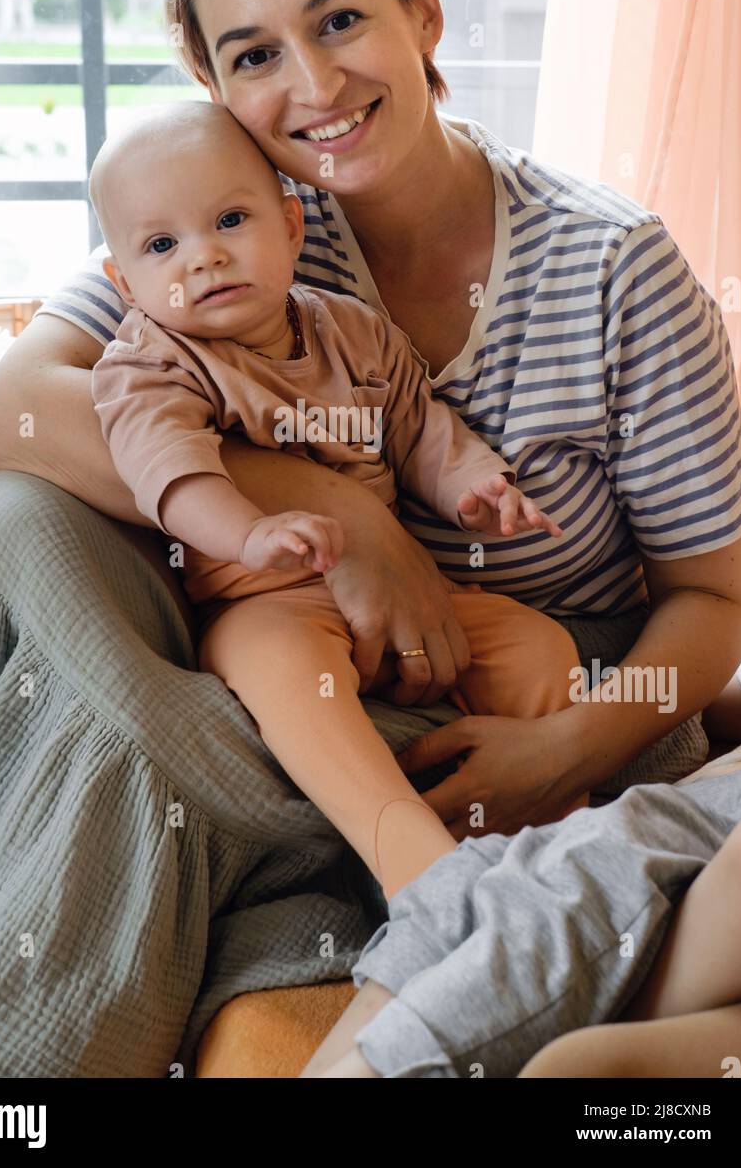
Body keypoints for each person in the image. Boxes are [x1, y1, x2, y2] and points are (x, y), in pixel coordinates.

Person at [0, 0, 741, 1072]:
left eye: (340, 20)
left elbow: (713, 598)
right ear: (214, 85)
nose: (311, 84)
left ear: (420, 9)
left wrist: (564, 749)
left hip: (538, 701)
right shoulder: (224, 231)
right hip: (308, 699)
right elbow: (14, 419)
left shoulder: (608, 266)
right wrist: (342, 513)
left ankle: (493, 897)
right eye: (254, 54)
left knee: (128, 726)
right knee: (9, 532)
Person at [88, 99, 580, 900]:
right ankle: (410, 861)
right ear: (125, 282)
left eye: (231, 220)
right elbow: (171, 474)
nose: (204, 258)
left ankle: (563, 839)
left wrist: (477, 488)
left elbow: (421, 429)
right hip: (267, 600)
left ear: (291, 227)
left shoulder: (354, 331)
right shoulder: (150, 363)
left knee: (540, 650)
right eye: (162, 245)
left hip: (409, 593)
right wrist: (250, 537)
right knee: (280, 672)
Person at [303, 658, 741, 1078]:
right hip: (703, 832)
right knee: (474, 878)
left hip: (718, 818)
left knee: (600, 859)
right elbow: (706, 696)